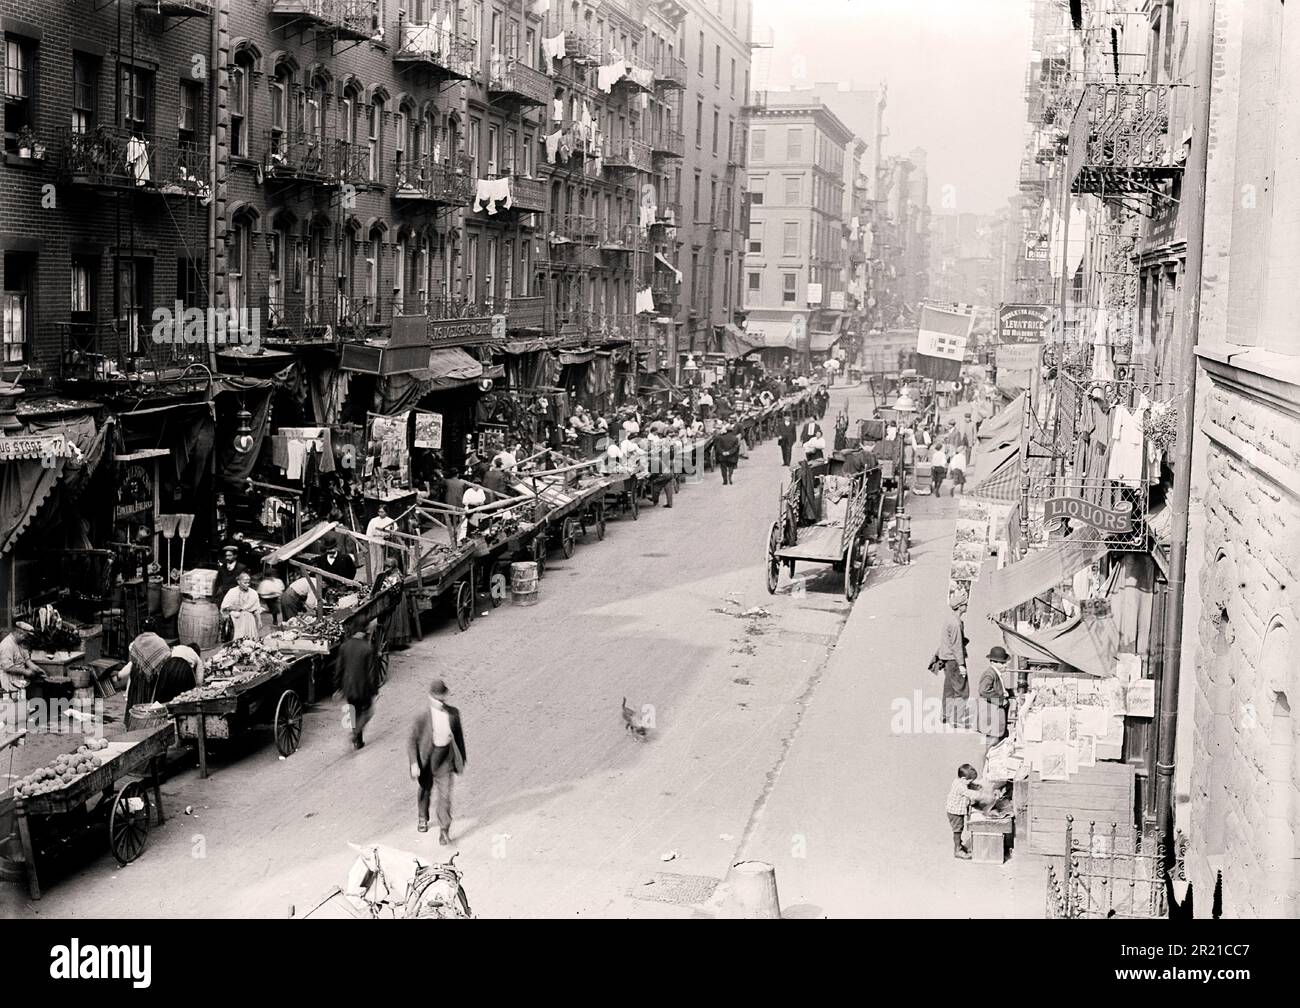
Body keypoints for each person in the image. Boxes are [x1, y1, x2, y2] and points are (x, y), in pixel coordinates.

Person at [408, 678, 467, 844]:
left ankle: (444, 830)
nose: (440, 702)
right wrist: (414, 763)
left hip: (445, 759)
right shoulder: (422, 716)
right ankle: (422, 816)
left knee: (445, 795)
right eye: (436, 699)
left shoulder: (453, 714)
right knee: (425, 789)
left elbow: (459, 737)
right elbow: (412, 740)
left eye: (442, 699)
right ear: (430, 697)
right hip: (427, 759)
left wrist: (461, 758)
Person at [121, 626, 171, 727]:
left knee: (135, 698)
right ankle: (148, 723)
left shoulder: (137, 640)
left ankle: (131, 722)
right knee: (149, 699)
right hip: (153, 676)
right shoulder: (160, 641)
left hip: (138, 675)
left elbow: (133, 657)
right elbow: (167, 655)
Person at [338, 628, 379, 750]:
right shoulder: (368, 648)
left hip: (348, 687)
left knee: (354, 712)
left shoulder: (344, 646)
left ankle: (358, 741)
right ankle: (355, 735)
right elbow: (372, 673)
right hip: (363, 687)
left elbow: (339, 668)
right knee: (367, 711)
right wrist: (374, 690)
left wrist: (338, 687)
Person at [0, 622, 44, 723]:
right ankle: (10, 727)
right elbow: (7, 667)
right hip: (9, 679)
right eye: (26, 636)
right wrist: (26, 672)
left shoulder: (21, 644)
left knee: (20, 704)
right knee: (11, 705)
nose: (27, 638)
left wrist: (38, 670)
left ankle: (20, 722)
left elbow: (27, 660)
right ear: (20, 633)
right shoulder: (6, 645)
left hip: (20, 680)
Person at [937, 593, 970, 727]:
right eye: (965, 604)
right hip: (954, 660)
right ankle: (956, 719)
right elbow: (956, 646)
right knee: (963, 690)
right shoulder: (956, 624)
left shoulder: (950, 620)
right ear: (960, 607)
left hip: (946, 659)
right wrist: (961, 665)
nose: (967, 605)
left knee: (949, 688)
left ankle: (945, 714)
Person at [977, 646, 1011, 752]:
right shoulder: (989, 674)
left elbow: (996, 689)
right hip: (991, 719)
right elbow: (984, 690)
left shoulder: (994, 673)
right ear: (993, 662)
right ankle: (985, 767)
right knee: (990, 746)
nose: (1005, 665)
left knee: (993, 745)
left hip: (993, 719)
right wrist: (1001, 700)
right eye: (1002, 663)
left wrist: (1009, 692)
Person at [946, 764, 981, 860]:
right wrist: (983, 794)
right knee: (957, 830)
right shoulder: (960, 787)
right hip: (955, 812)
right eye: (969, 780)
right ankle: (957, 850)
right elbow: (970, 793)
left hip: (956, 811)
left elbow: (970, 786)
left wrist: (977, 785)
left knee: (959, 828)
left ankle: (959, 846)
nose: (970, 782)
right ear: (963, 778)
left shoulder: (960, 782)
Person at [220, 571, 262, 641]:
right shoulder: (232, 592)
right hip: (236, 620)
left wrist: (259, 620)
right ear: (239, 582)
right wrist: (233, 608)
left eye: (248, 583)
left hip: (249, 621)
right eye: (245, 583)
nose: (247, 585)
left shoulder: (253, 593)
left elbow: (256, 608)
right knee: (237, 641)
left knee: (249, 641)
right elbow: (224, 607)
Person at [364, 504, 395, 581]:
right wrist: (370, 540)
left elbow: (392, 532)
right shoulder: (373, 521)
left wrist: (385, 535)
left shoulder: (390, 521)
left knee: (381, 562)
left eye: (383, 512)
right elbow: (369, 532)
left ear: (386, 512)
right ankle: (374, 579)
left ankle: (381, 578)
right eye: (379, 512)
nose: (381, 514)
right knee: (374, 561)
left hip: (383, 542)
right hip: (374, 542)